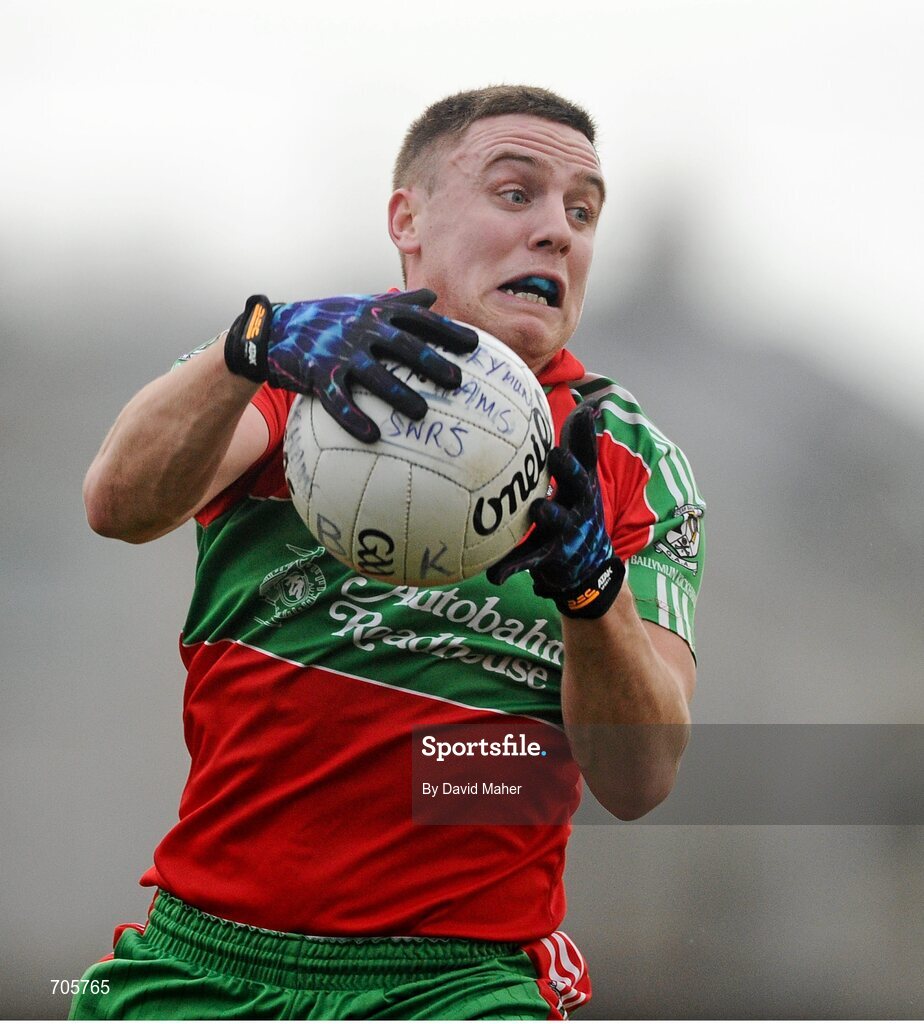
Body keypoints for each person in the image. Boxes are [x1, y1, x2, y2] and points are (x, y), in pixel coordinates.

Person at [72, 85, 705, 1021]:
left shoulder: (628, 463)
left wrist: (593, 594)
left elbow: (639, 779)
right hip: (202, 961)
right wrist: (252, 344)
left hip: (460, 985)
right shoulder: (306, 364)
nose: (557, 233)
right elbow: (117, 507)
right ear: (407, 218)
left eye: (582, 212)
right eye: (515, 192)